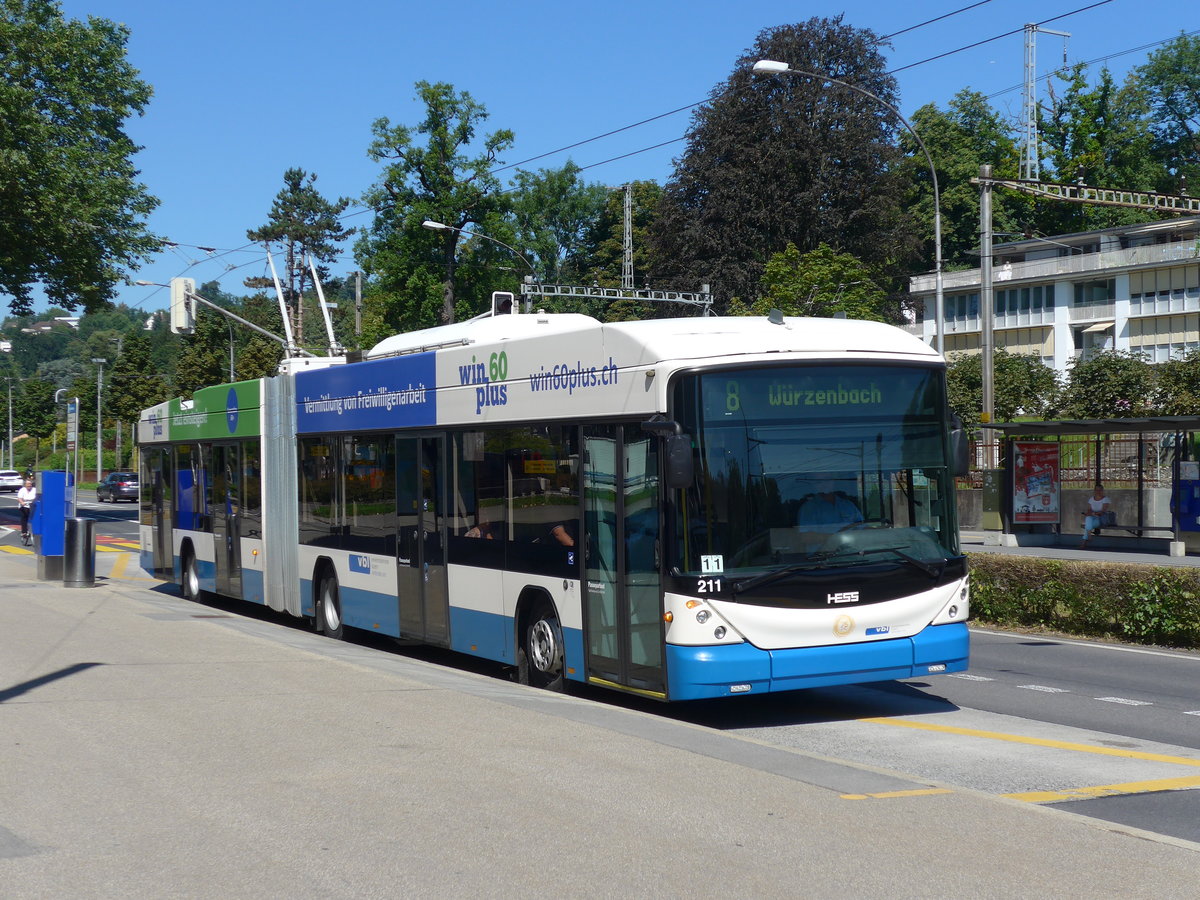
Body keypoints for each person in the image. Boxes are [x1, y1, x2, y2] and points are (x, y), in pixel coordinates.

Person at [797, 477, 863, 529]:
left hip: (852, 545)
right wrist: (836, 538)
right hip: (823, 546)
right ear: (813, 485)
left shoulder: (848, 505)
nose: (824, 484)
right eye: (819, 482)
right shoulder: (808, 508)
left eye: (827, 480)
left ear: (833, 481)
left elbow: (862, 526)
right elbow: (806, 537)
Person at [1080, 483, 1111, 549]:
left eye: (1100, 490)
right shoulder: (1091, 499)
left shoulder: (1105, 499)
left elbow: (1103, 511)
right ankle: (1087, 537)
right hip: (1092, 517)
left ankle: (1085, 540)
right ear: (1094, 491)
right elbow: (1089, 510)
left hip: (1100, 519)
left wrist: (1094, 514)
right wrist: (1089, 513)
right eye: (1096, 490)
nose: (1098, 492)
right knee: (1088, 518)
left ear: (1102, 491)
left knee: (1088, 525)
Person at [17, 478, 36, 546]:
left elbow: (37, 497)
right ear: (25, 485)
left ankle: (35, 529)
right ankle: (24, 532)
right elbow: (19, 498)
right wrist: (22, 503)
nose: (29, 485)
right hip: (24, 505)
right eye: (28, 484)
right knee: (25, 515)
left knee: (35, 516)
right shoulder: (22, 490)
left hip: (32, 505)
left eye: (30, 484)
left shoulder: (34, 490)